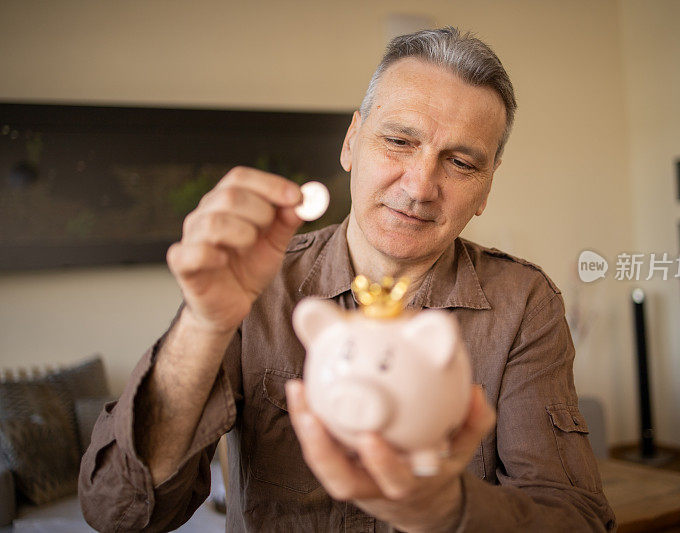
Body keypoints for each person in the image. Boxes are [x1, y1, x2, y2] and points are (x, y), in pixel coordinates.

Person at [79, 27, 616, 532]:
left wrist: (443, 509)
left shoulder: (522, 302)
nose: (421, 185)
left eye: (460, 162)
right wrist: (203, 323)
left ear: (486, 189)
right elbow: (119, 511)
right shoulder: (258, 282)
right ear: (351, 142)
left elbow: (576, 517)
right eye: (400, 141)